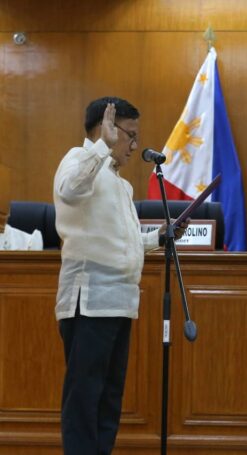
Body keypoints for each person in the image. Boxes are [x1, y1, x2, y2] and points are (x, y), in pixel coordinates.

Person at [53, 97, 187, 454]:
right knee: (84, 399)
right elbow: (69, 191)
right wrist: (102, 148)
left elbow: (122, 243)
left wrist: (158, 238)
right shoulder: (79, 160)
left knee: (109, 401)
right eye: (129, 135)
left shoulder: (121, 185)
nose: (133, 145)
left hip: (120, 304)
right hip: (89, 303)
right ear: (106, 129)